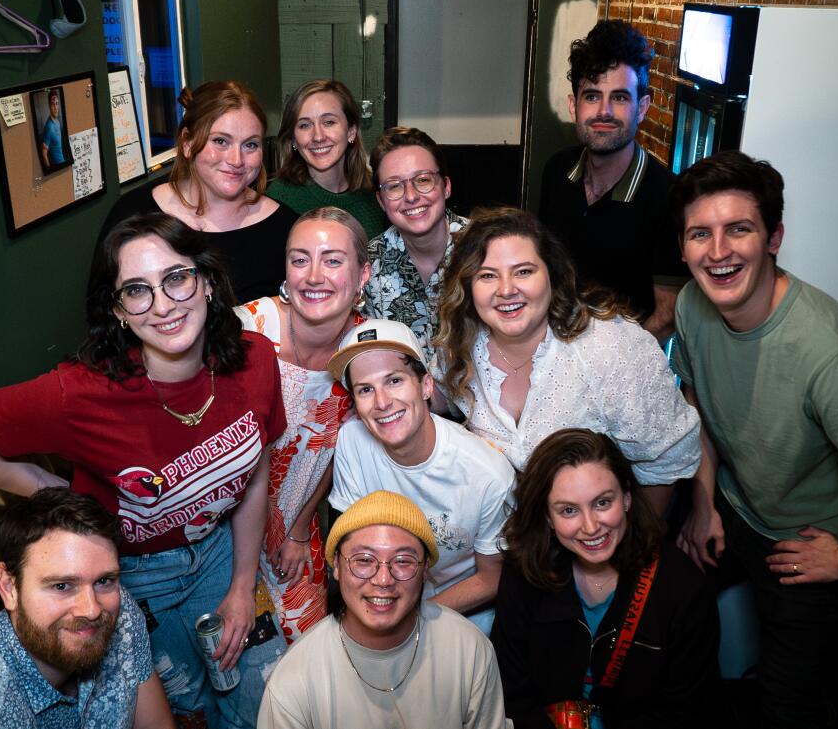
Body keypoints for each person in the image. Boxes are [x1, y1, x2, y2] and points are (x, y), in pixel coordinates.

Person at [0, 213, 288, 728]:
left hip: (220, 552)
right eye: (137, 290)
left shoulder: (255, 359)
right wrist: (50, 491)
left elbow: (255, 476)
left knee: (262, 701)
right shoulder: (80, 395)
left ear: (207, 282)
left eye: (176, 277)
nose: (164, 305)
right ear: (119, 311)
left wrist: (240, 584)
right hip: (134, 580)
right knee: (187, 710)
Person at [670, 150, 838, 728]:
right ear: (682, 249)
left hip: (807, 540)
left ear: (774, 237)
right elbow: (697, 406)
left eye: (739, 229)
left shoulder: (828, 353)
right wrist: (705, 503)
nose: (718, 251)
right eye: (699, 234)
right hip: (734, 507)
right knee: (657, 610)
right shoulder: (692, 304)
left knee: (787, 709)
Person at [433, 206, 700, 514]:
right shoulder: (460, 343)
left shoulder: (611, 348)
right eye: (488, 276)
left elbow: (667, 458)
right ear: (468, 286)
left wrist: (639, 547)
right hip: (506, 539)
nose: (506, 290)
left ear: (552, 274)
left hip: (596, 539)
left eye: (523, 271)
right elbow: (435, 395)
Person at [0, 488, 174, 729]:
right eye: (62, 586)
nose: (91, 609)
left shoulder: (115, 607)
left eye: (104, 580)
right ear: (9, 588)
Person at [491, 429, 719, 729]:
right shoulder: (524, 575)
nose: (590, 527)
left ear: (626, 497)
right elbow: (513, 695)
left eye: (602, 503)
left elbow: (688, 711)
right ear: (547, 517)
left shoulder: (681, 587)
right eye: (569, 510)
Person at [257, 491, 506, 729]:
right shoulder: (295, 679)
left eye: (403, 561)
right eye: (364, 560)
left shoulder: (468, 649)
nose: (383, 579)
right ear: (337, 566)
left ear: (425, 570)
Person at [326, 319, 514, 633]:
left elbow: (492, 577)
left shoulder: (488, 475)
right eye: (366, 389)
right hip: (382, 597)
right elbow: (354, 548)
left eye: (395, 380)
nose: (382, 402)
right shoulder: (352, 442)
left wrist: (413, 616)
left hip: (461, 610)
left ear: (426, 386)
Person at [236, 207, 370, 644]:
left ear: (363, 274)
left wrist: (298, 529)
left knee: (307, 655)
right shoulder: (246, 331)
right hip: (221, 532)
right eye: (299, 259)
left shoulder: (368, 349)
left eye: (332, 260)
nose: (314, 276)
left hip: (295, 528)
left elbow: (343, 448)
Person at [538, 20, 687, 340]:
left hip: (623, 375)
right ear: (573, 106)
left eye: (619, 98)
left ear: (642, 108)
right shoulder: (556, 170)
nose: (604, 111)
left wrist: (610, 369)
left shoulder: (670, 196)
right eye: (592, 96)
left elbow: (667, 314)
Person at [100, 80, 297, 303]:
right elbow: (103, 314)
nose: (236, 160)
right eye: (220, 141)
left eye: (250, 145)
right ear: (187, 143)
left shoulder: (285, 228)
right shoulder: (134, 214)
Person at [363, 127, 469, 361]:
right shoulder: (368, 264)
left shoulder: (485, 249)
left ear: (446, 186)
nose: (411, 196)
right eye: (394, 186)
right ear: (381, 201)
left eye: (423, 180)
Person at [267, 80, 388, 238]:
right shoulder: (278, 200)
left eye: (329, 122)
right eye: (304, 125)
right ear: (294, 139)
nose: (318, 136)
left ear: (351, 131)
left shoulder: (377, 194)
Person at [40, 90, 66, 169]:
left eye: (57, 104)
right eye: (52, 104)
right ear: (49, 106)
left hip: (63, 161)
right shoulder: (49, 127)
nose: (55, 107)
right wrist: (49, 169)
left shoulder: (57, 121)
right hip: (57, 167)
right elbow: (44, 152)